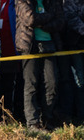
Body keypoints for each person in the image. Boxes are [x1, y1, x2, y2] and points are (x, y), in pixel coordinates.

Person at [15, 0, 64, 129]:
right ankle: (33, 122)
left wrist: (42, 24)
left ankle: (48, 119)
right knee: (31, 84)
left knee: (51, 83)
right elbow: (30, 19)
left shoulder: (52, 2)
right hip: (29, 46)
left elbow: (60, 22)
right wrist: (49, 16)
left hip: (49, 45)